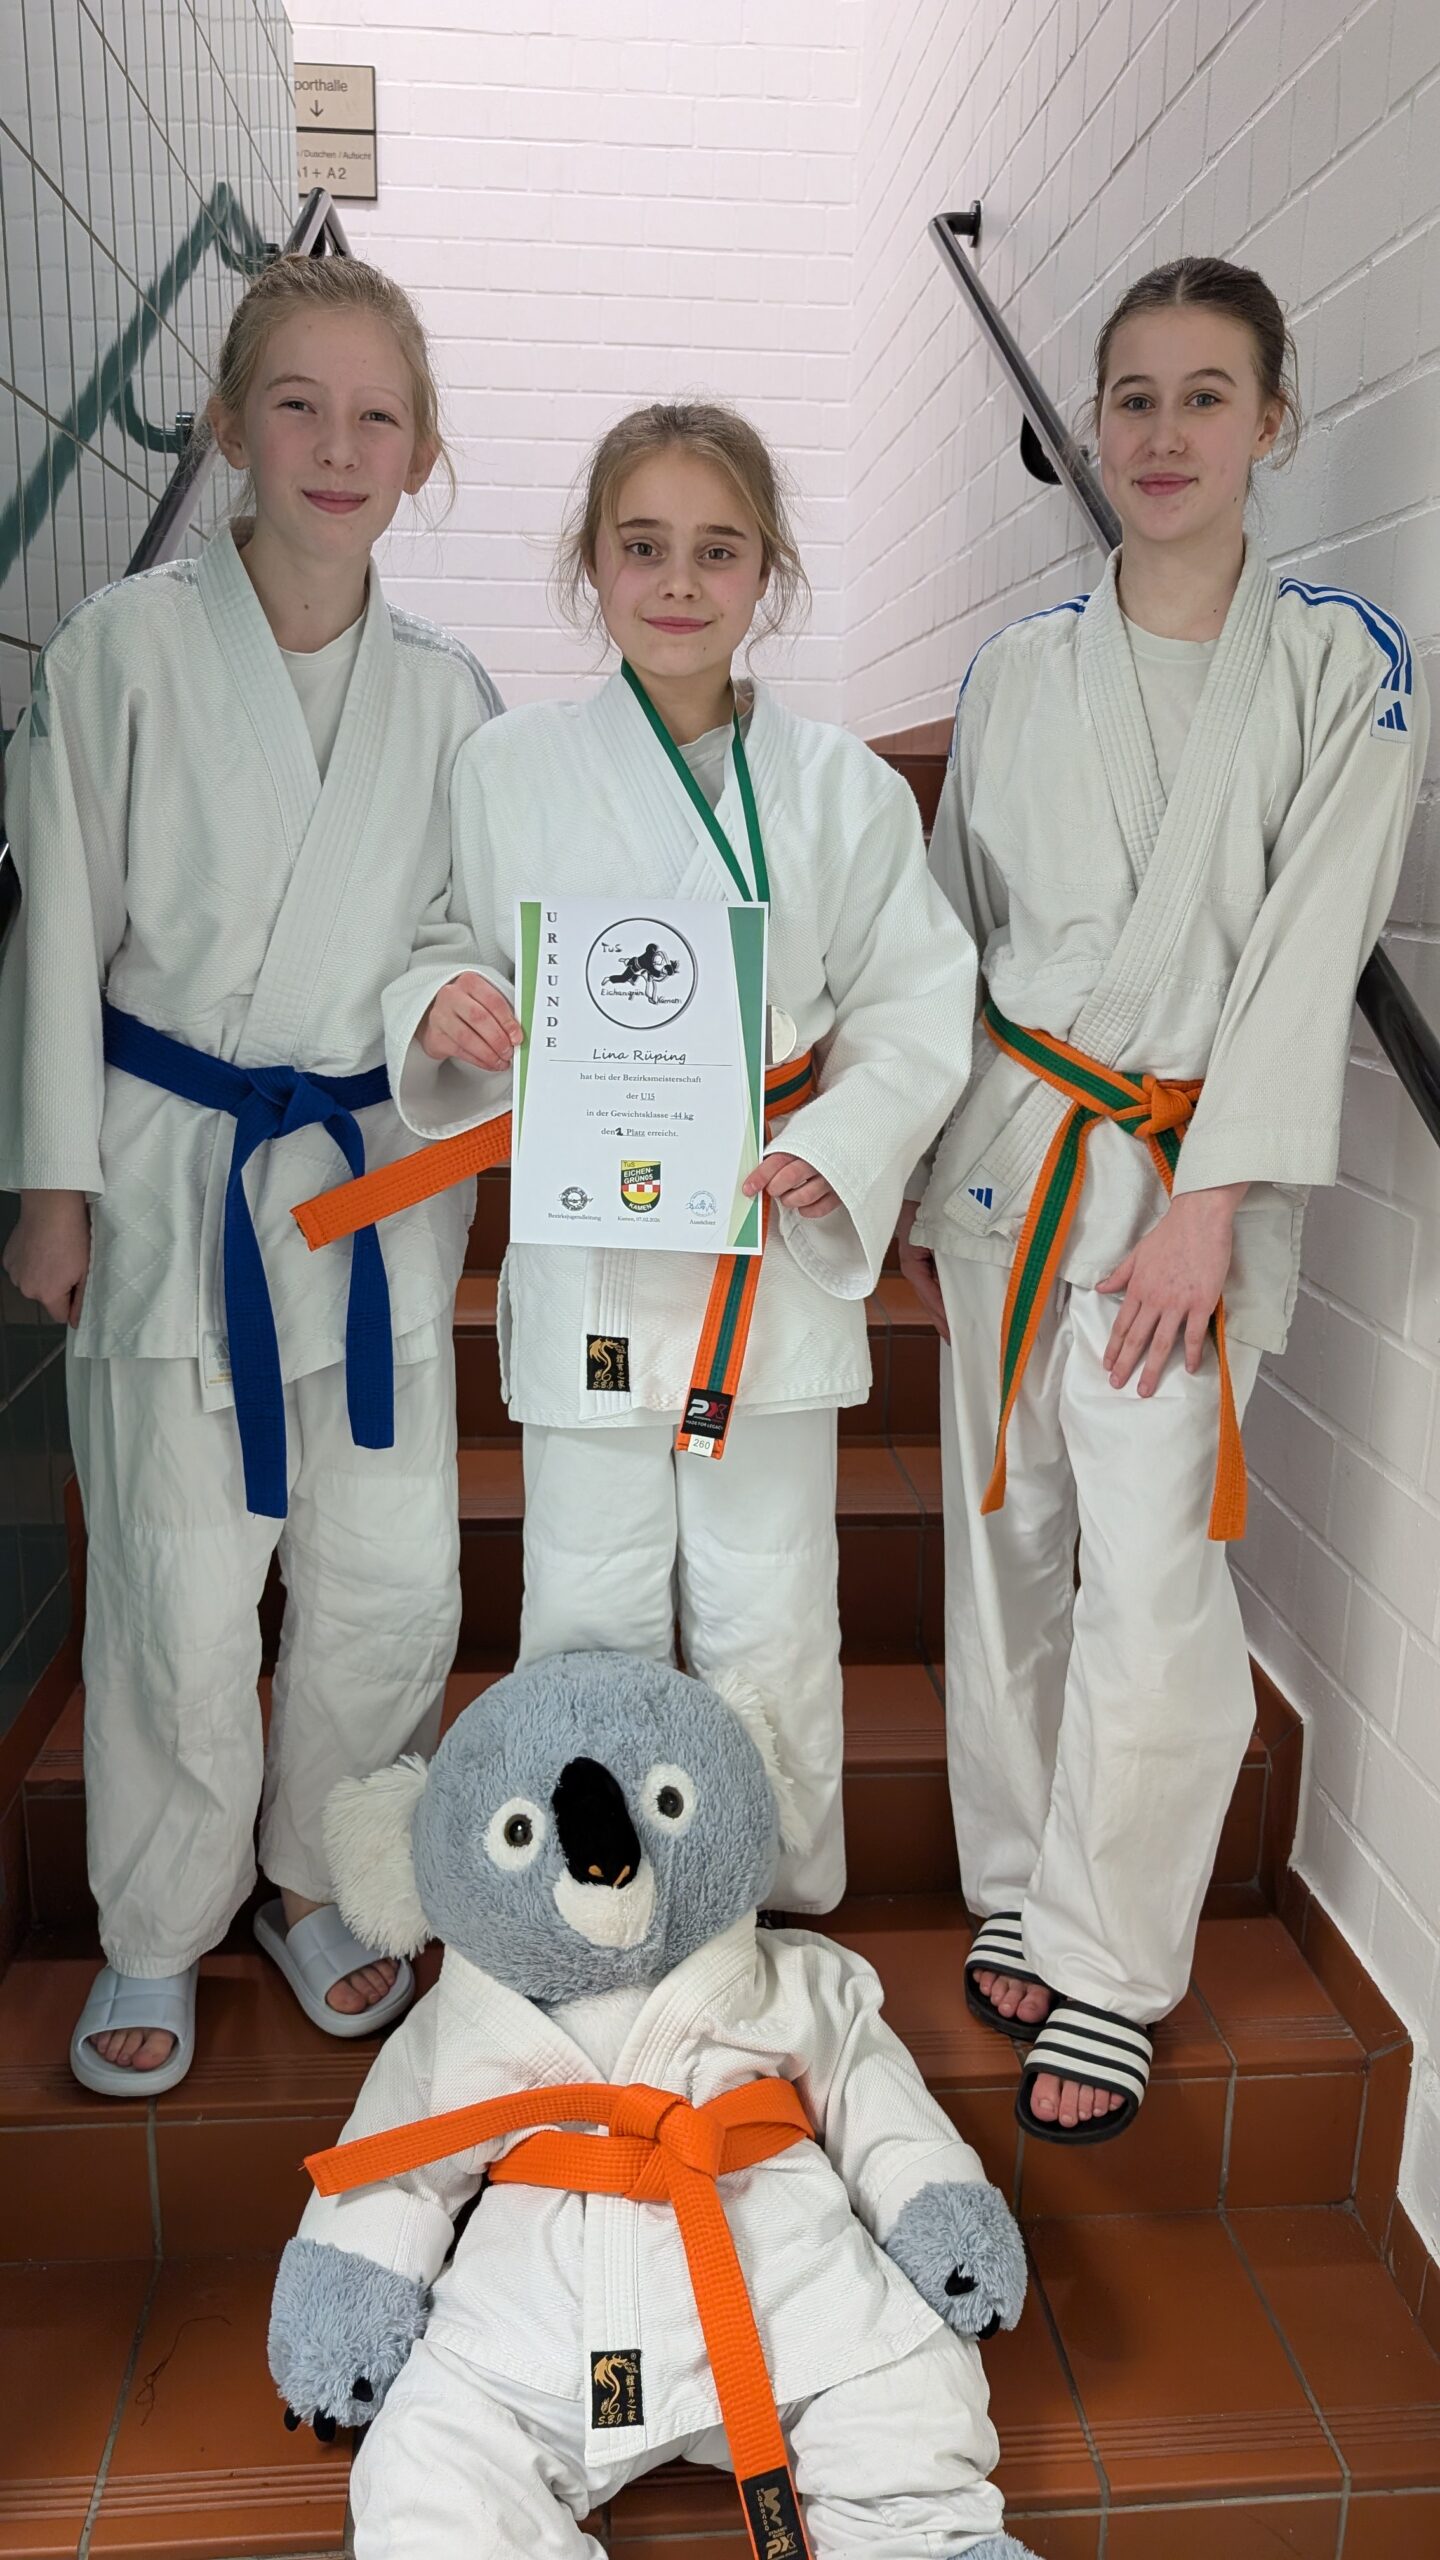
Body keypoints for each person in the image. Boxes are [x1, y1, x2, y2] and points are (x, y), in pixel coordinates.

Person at [901, 257, 1429, 2144]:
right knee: (1002, 1541)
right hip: (1007, 1161)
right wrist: (917, 1165)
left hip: (1189, 1188)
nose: (1164, 431)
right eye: (1132, 396)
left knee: (1150, 1576)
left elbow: (1311, 948)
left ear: (1274, 421)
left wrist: (1212, 1202)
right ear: (1091, 426)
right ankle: (1015, 1880)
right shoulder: (1013, 671)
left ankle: (1116, 1963)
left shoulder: (1342, 664)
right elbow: (947, 938)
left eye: (1208, 396)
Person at [0, 254, 502, 2094]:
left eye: (378, 416)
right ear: (226, 424)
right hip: (170, 1181)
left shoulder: (451, 697)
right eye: (299, 404)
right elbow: (59, 932)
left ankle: (320, 1882)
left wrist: (458, 1004)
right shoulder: (119, 652)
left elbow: (463, 931)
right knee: (176, 1581)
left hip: (370, 1193)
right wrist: (51, 1186)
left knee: (386, 1580)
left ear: (424, 454)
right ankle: (156, 1921)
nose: (337, 446)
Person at [378, 402, 976, 1913]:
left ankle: (766, 1902)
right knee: (585, 1591)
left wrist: (843, 1140)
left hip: (764, 1238)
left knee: (772, 1598)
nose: (680, 582)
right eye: (642, 546)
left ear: (768, 570)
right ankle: (586, 1919)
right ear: (592, 563)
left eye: (719, 550)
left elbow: (917, 998)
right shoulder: (505, 767)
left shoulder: (842, 786)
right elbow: (443, 941)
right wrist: (446, 1004)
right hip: (593, 1246)